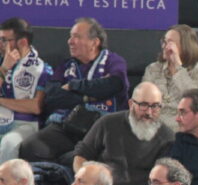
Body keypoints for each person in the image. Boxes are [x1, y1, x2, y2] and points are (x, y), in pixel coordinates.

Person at [20, 17, 129, 164]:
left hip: (99, 128)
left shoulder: (113, 62)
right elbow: (52, 96)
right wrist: (87, 97)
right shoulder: (66, 66)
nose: (70, 41)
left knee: (90, 155)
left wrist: (73, 86)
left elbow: (114, 84)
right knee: (31, 147)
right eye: (71, 36)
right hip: (65, 125)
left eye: (77, 36)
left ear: (95, 42)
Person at [72, 82, 174, 185]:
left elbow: (160, 182)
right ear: (131, 104)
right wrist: (86, 184)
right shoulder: (108, 123)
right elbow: (81, 155)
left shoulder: (167, 137)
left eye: (155, 106)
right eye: (143, 105)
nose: (149, 112)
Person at [0, 18, 53, 163]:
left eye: (5, 40)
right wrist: (4, 68)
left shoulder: (41, 69)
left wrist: (1, 101)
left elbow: (35, 106)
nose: (1, 44)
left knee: (8, 143)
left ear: (22, 42)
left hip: (24, 124)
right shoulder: (1, 62)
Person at [142, 24, 198, 129]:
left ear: (185, 46)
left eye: (170, 42)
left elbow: (197, 100)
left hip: (184, 129)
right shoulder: (153, 69)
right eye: (164, 42)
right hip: (153, 129)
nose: (164, 46)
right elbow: (143, 101)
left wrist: (178, 67)